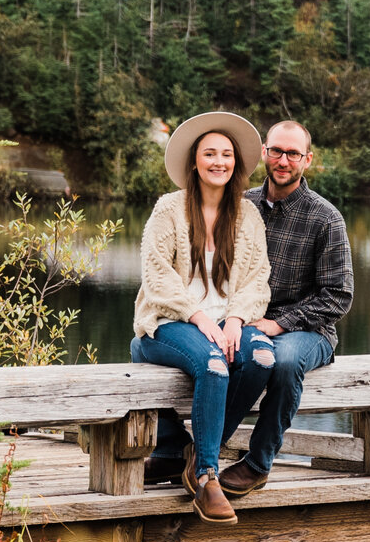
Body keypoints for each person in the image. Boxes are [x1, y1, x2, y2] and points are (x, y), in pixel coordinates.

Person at [142, 117, 354, 497]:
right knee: (233, 359)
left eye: (293, 153)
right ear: (264, 155)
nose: (283, 160)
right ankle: (193, 454)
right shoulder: (244, 203)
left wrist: (279, 323)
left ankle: (257, 462)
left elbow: (338, 296)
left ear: (307, 159)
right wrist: (230, 319)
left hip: (306, 328)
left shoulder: (326, 219)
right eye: (276, 151)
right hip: (235, 319)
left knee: (281, 361)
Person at [128, 111, 273, 524]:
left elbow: (258, 280)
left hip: (226, 323)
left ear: (236, 164)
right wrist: (197, 316)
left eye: (226, 155)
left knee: (262, 359)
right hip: (168, 324)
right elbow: (156, 274)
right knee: (214, 365)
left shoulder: (248, 216)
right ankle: (208, 476)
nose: (219, 162)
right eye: (209, 154)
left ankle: (193, 453)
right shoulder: (168, 210)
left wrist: (236, 319)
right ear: (194, 161)